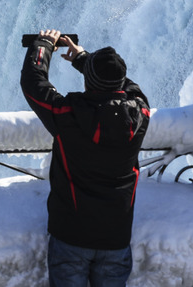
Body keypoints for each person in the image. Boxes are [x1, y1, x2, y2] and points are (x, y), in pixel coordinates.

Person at [20, 29, 151, 287]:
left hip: (71, 235)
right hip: (116, 237)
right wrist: (85, 61)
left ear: (88, 82)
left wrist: (43, 45)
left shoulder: (67, 114)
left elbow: (33, 83)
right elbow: (133, 89)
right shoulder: (139, 117)